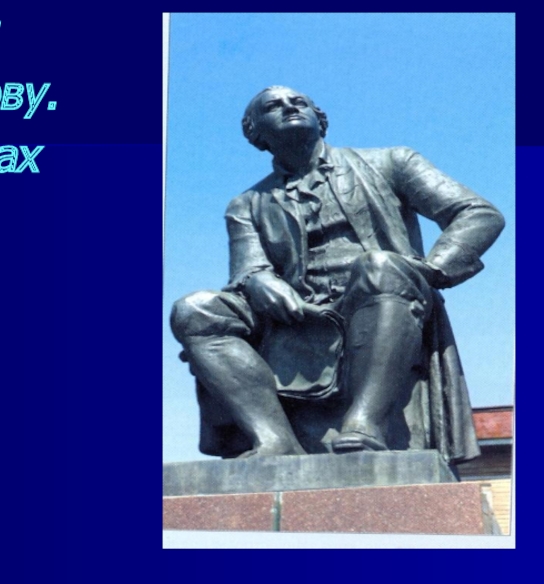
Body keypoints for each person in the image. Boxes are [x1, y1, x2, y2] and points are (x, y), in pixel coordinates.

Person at [170, 86, 504, 462]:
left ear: (320, 119)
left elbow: (478, 213)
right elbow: (247, 268)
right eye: (273, 106)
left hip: (382, 296)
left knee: (379, 265)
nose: (290, 107)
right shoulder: (246, 204)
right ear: (256, 133)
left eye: (299, 102)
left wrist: (430, 270)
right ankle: (275, 439)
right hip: (298, 316)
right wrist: (258, 280)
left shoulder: (392, 161)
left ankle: (365, 423)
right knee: (194, 310)